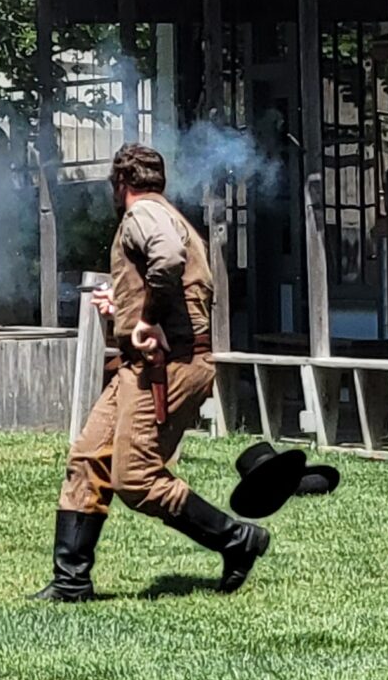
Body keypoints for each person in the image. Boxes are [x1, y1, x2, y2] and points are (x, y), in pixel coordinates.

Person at [31, 143, 269, 601]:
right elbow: (169, 278)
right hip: (146, 365)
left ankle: (236, 540)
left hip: (169, 365)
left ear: (120, 184)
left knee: (136, 478)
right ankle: (71, 582)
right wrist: (123, 306)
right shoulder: (164, 214)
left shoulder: (144, 218)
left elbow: (167, 258)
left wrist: (146, 319)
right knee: (88, 459)